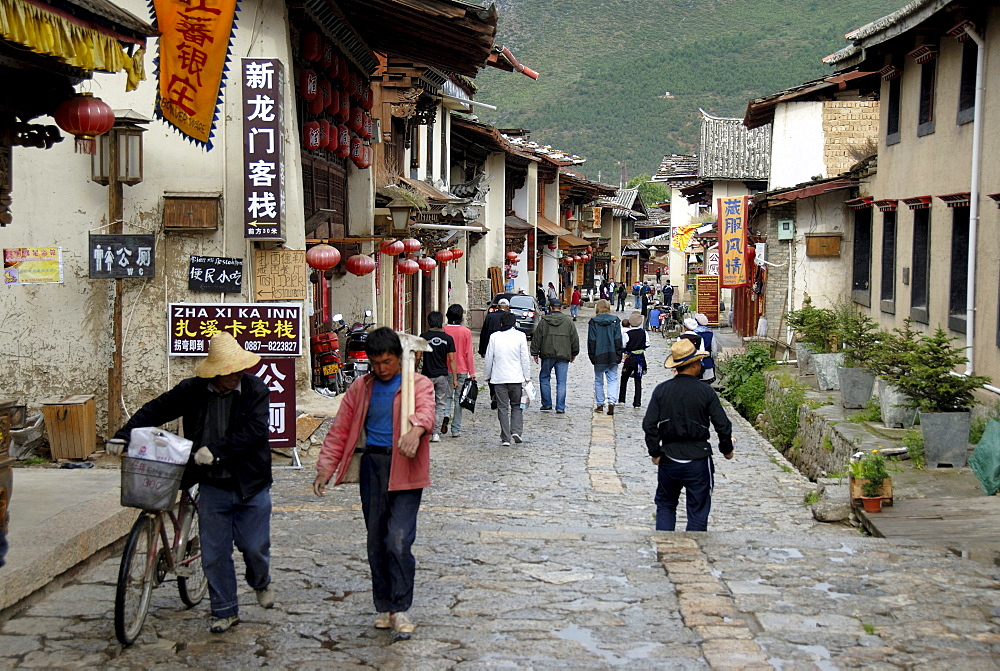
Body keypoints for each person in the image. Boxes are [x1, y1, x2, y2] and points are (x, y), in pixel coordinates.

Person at [106, 332, 274, 634]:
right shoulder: (193, 389)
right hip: (211, 484)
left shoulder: (255, 390)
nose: (235, 376)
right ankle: (224, 611)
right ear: (216, 371)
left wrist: (217, 450)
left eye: (238, 370)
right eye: (229, 371)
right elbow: (156, 409)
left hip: (250, 483)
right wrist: (124, 434)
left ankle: (260, 581)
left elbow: (255, 431)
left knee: (253, 547)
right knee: (215, 554)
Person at [313, 327, 436, 638]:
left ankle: (401, 607)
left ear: (398, 357)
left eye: (388, 362)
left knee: (398, 540)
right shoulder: (360, 388)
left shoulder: (417, 384)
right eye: (376, 362)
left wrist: (416, 430)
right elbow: (340, 429)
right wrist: (325, 467)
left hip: (406, 467)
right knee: (376, 541)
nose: (382, 368)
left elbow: (427, 412)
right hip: (374, 466)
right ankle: (385, 606)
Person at [642, 339, 734, 531]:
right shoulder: (706, 392)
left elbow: (649, 424)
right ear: (693, 365)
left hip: (669, 457)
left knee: (666, 506)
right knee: (698, 509)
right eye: (699, 362)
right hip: (698, 459)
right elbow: (722, 425)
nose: (701, 365)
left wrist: (655, 452)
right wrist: (726, 449)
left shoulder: (662, 390)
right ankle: (695, 552)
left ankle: (665, 549)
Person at [483, 311, 531, 446]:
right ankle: (516, 430)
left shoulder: (494, 337)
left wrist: (487, 375)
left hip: (499, 379)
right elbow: (524, 358)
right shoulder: (521, 336)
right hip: (516, 378)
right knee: (516, 405)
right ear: (514, 323)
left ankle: (505, 438)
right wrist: (527, 377)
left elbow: (489, 358)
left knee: (502, 408)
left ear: (501, 323)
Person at [530, 298, 579, 414]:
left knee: (544, 377)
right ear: (561, 308)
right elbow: (574, 339)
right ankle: (560, 406)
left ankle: (546, 404)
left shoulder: (544, 322)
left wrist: (535, 352)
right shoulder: (568, 322)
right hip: (563, 355)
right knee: (561, 381)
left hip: (547, 354)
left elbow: (537, 338)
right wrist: (574, 353)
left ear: (551, 308)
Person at [416, 311, 456, 442]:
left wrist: (415, 370)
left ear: (429, 322)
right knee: (440, 404)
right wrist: (455, 378)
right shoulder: (448, 339)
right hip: (442, 375)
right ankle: (436, 433)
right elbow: (452, 360)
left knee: (425, 403)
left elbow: (418, 356)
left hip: (427, 375)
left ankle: (425, 430)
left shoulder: (423, 337)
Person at [443, 304, 475, 438]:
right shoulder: (465, 331)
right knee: (458, 399)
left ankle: (444, 416)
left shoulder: (443, 329)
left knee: (446, 397)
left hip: (445, 368)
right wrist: (472, 372)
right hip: (461, 368)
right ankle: (455, 429)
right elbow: (469, 353)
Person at [587, 299, 623, 415]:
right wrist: (619, 354)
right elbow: (618, 339)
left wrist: (591, 355)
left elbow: (591, 340)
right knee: (612, 379)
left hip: (598, 355)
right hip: (612, 354)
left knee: (598, 380)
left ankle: (600, 404)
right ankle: (612, 402)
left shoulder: (593, 322)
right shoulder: (615, 321)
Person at [479, 298, 510, 410]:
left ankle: (494, 394)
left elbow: (483, 333)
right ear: (507, 307)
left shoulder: (490, 317)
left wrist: (482, 350)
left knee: (492, 373)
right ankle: (501, 395)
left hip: (491, 349)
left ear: (497, 307)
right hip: (506, 351)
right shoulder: (509, 317)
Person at [619, 312, 650, 409]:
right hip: (640, 358)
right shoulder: (644, 333)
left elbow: (623, 345)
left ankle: (622, 400)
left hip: (630, 357)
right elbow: (648, 343)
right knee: (638, 379)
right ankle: (637, 402)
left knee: (624, 378)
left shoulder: (628, 334)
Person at [694, 313, 720, 385]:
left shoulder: (693, 333)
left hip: (694, 363)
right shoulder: (710, 333)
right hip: (707, 362)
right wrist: (713, 359)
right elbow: (714, 350)